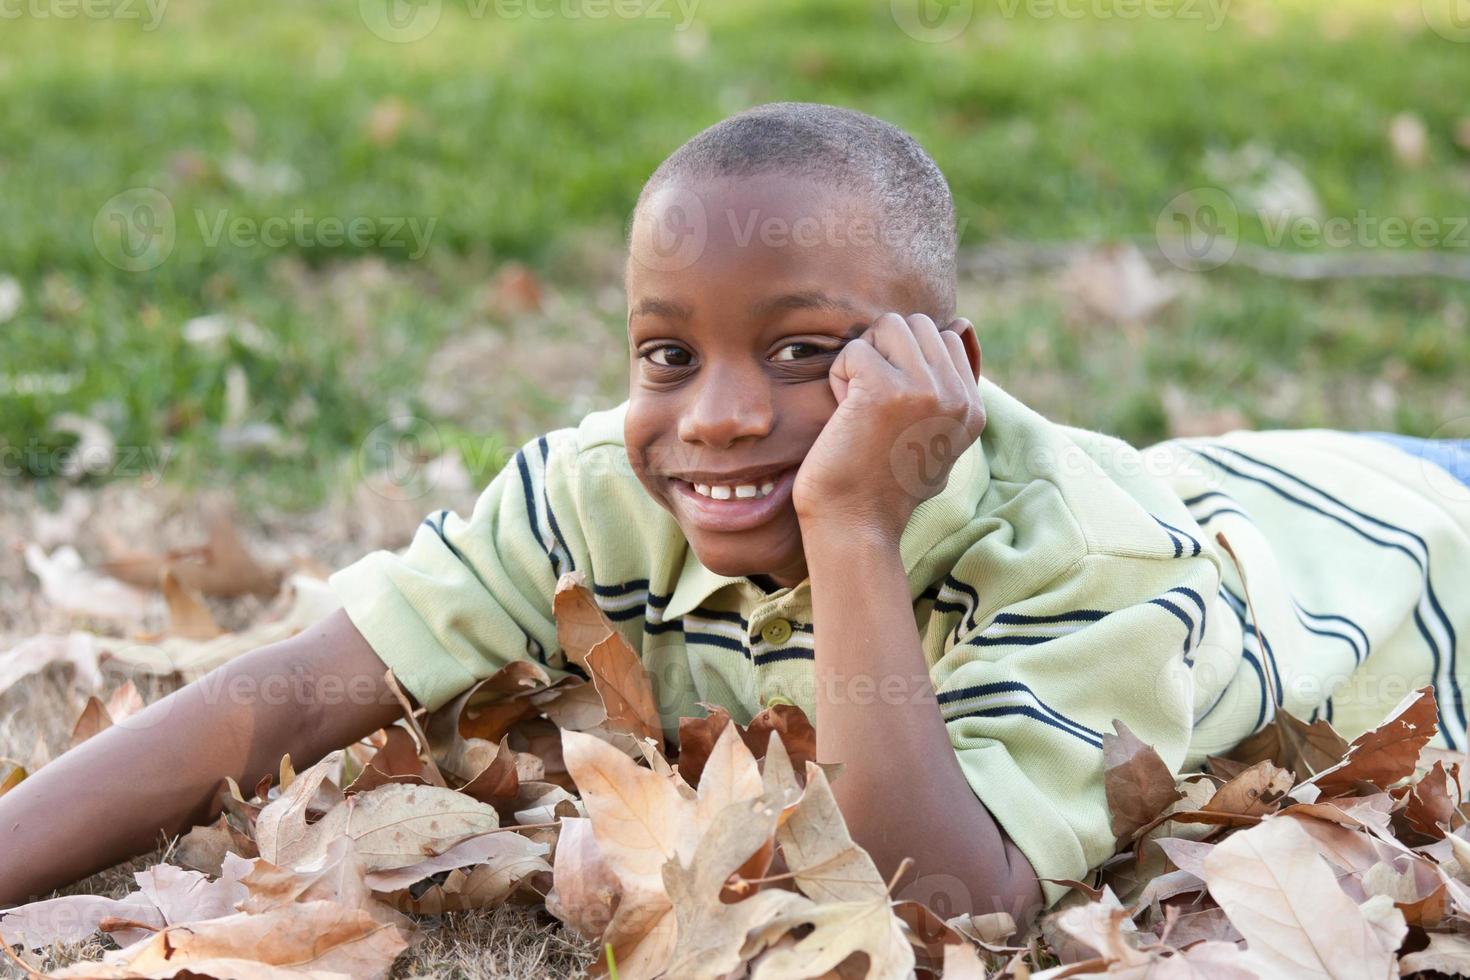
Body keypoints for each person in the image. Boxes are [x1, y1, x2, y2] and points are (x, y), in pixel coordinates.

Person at [3, 103, 1469, 927]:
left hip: (1404, 541)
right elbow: (281, 694)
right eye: (665, 353)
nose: (712, 415)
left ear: (942, 377)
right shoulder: (597, 490)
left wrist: (851, 529)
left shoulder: (1085, 558)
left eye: (801, 352)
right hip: (1260, 481)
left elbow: (944, 901)